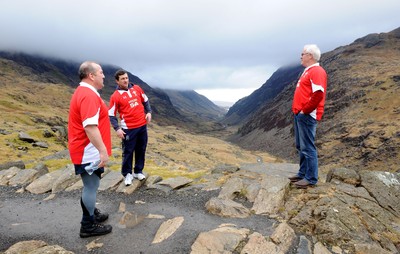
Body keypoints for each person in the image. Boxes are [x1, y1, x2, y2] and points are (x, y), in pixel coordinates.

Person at [68, 61, 113, 237]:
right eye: (101, 72)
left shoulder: (85, 92)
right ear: (91, 75)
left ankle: (92, 213)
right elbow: (90, 126)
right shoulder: (88, 95)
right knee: (91, 186)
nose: (104, 75)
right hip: (87, 151)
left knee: (91, 185)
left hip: (86, 150)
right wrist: (102, 151)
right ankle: (87, 225)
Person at [288, 44, 327, 189]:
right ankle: (303, 173)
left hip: (307, 115)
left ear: (310, 56)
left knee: (308, 147)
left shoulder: (317, 71)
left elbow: (318, 94)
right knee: (301, 146)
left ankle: (310, 178)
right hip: (300, 114)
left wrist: (305, 111)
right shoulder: (308, 71)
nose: (301, 56)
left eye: (303, 53)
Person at [108, 69, 152, 186]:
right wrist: (117, 129)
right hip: (128, 129)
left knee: (141, 149)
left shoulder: (137, 88)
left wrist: (148, 112)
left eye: (126, 78)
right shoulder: (115, 96)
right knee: (128, 151)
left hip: (142, 126)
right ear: (117, 81)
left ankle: (138, 171)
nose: (125, 80)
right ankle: (127, 174)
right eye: (122, 79)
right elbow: (111, 114)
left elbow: (145, 100)